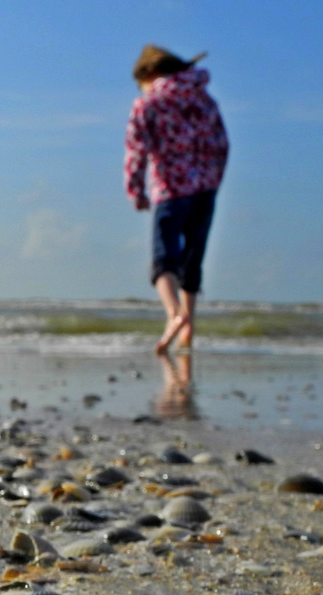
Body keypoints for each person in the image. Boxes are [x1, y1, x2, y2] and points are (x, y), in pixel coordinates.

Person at [124, 44, 229, 375]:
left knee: (164, 259)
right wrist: (213, 179)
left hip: (170, 189)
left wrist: (136, 190)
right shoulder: (204, 100)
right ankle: (189, 329)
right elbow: (222, 143)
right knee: (192, 262)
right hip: (205, 190)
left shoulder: (148, 103)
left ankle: (173, 313)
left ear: (150, 74)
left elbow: (136, 150)